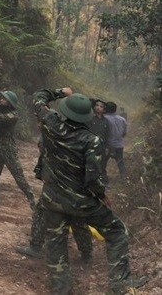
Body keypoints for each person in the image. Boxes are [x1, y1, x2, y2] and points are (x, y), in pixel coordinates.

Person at [32, 87, 147, 294]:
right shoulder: (91, 140)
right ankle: (119, 284)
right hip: (80, 202)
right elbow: (92, 178)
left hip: (52, 197)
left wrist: (60, 91)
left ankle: (61, 288)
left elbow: (38, 99)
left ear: (65, 111)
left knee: (56, 240)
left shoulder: (50, 123)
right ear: (87, 116)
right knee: (117, 231)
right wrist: (102, 195)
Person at [0, 90, 35, 208]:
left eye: (4, 99)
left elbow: (1, 118)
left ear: (10, 102)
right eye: (1, 98)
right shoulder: (0, 106)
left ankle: (31, 198)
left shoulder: (13, 114)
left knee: (17, 175)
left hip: (8, 148)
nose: (1, 100)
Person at [103, 101, 127, 180]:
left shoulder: (104, 118)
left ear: (106, 109)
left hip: (107, 146)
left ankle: (103, 179)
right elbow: (124, 134)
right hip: (119, 145)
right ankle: (125, 178)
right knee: (120, 162)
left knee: (103, 163)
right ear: (115, 109)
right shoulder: (122, 119)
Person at [88, 99, 110, 183]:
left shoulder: (106, 121)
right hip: (91, 146)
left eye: (101, 106)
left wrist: (107, 147)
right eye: (97, 105)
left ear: (104, 110)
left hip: (102, 147)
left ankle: (103, 183)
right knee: (90, 165)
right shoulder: (90, 119)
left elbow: (107, 135)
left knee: (101, 166)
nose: (98, 107)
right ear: (94, 107)